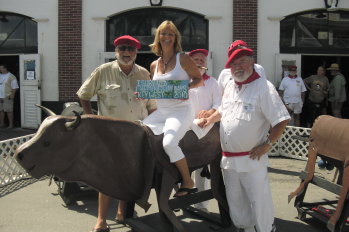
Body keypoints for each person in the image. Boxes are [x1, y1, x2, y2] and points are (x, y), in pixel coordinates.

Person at [198, 46, 290, 232]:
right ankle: (244, 228)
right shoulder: (231, 86)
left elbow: (281, 120)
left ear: (252, 62)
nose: (237, 67)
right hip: (229, 160)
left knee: (258, 200)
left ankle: (265, 229)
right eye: (233, 64)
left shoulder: (264, 87)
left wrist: (268, 145)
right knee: (236, 200)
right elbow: (223, 110)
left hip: (252, 158)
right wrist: (210, 119)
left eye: (241, 61)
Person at [77, 35, 156, 232]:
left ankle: (122, 212)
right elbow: (83, 95)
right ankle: (101, 220)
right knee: (107, 178)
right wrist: (91, 120)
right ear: (116, 51)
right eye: (122, 48)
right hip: (109, 136)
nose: (126, 52)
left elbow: (152, 106)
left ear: (137, 52)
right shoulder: (103, 71)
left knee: (129, 175)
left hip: (138, 135)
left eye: (131, 49)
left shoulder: (144, 74)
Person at [142, 20, 203, 197]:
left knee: (169, 143)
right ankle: (154, 173)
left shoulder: (182, 58)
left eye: (170, 34)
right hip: (162, 111)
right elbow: (155, 89)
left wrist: (188, 89)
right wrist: (143, 93)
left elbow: (199, 79)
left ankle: (187, 181)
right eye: (163, 33)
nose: (166, 37)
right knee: (140, 133)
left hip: (181, 110)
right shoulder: (154, 65)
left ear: (175, 37)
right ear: (158, 37)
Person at [188, 48, 222, 211]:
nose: (200, 62)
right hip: (185, 130)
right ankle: (185, 201)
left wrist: (210, 112)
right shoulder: (181, 81)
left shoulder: (213, 82)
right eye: (196, 59)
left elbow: (219, 104)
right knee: (181, 168)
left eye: (202, 60)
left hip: (205, 131)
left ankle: (201, 206)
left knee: (202, 169)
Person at [0, 64, 19, 129]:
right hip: (0, 96)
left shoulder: (11, 76)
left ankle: (11, 125)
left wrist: (12, 95)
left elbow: (15, 87)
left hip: (7, 96)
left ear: (5, 68)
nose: (0, 69)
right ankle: (2, 123)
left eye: (1, 68)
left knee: (9, 111)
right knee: (1, 110)